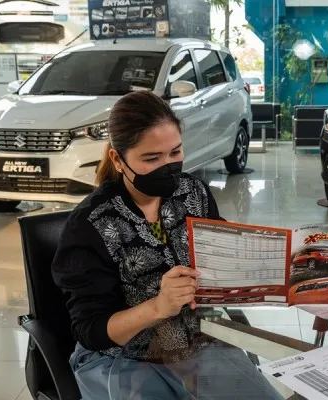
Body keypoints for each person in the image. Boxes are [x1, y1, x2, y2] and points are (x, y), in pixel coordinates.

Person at [52, 91, 281, 399]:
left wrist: (272, 267)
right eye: (152, 158)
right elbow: (92, 331)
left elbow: (222, 255)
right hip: (121, 358)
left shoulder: (193, 194)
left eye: (175, 152)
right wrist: (159, 307)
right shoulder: (91, 225)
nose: (169, 167)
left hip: (195, 342)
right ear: (118, 160)